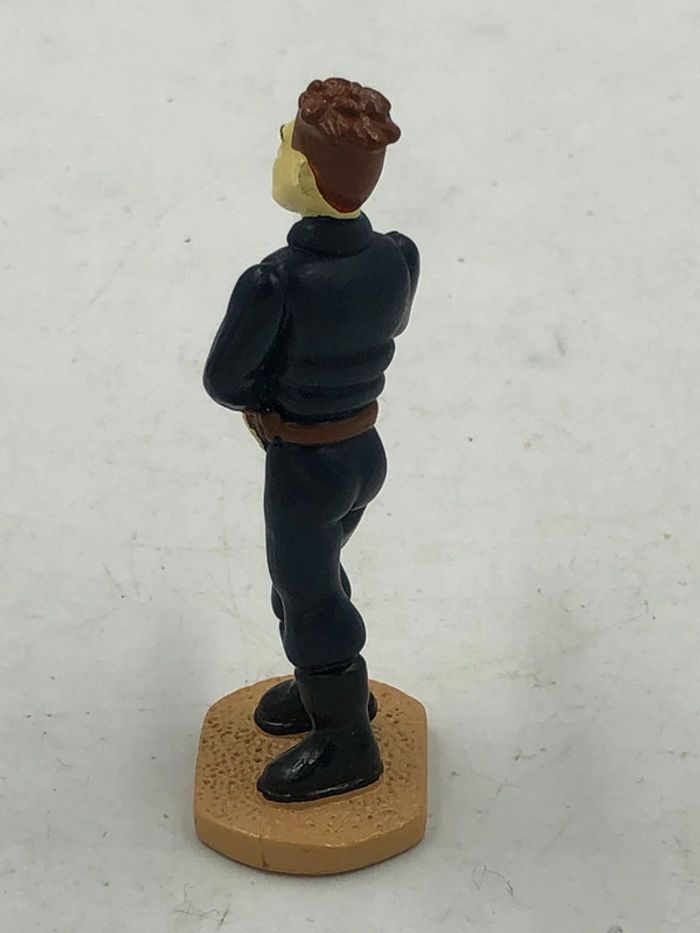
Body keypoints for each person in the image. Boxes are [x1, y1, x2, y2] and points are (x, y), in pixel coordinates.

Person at [204, 77, 419, 803]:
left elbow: (226, 380)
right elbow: (390, 324)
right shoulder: (397, 254)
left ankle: (346, 740)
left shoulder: (275, 280)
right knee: (310, 579)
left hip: (303, 463)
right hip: (363, 456)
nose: (280, 151)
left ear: (303, 173)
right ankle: (327, 688)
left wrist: (271, 401)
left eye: (286, 144)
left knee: (309, 596)